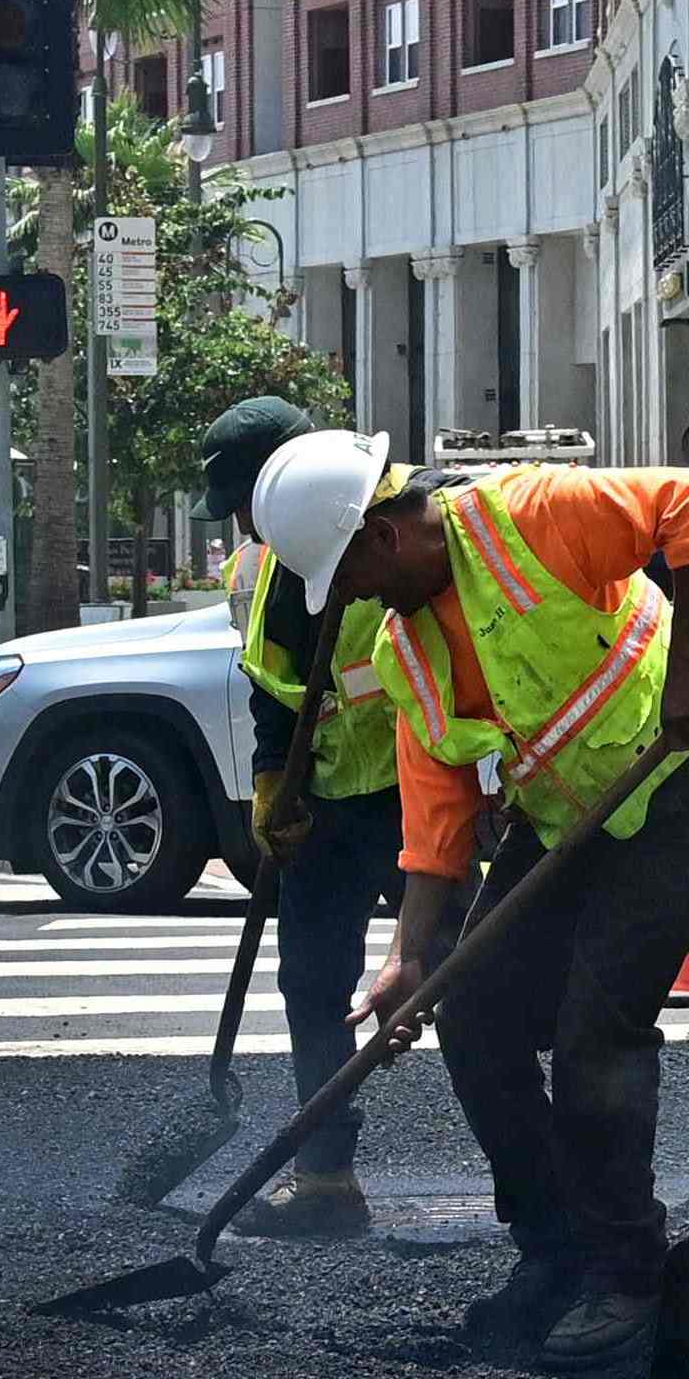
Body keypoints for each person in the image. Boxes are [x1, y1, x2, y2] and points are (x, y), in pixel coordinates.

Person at [256, 427, 689, 1370]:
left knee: (600, 1032)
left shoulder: (530, 515)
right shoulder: (409, 652)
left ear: (384, 539)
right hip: (564, 818)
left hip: (667, 785)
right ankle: (556, 1252)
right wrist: (409, 959)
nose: (345, 601)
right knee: (472, 1012)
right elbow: (434, 823)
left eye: (345, 578)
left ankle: (630, 1273)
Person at [202, 395, 404, 1240]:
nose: (243, 525)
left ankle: (549, 1194)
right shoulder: (253, 569)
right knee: (311, 984)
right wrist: (271, 778)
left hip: (417, 787)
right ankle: (326, 1180)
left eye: (246, 501)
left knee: (478, 986)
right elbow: (267, 684)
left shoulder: (386, 524)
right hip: (324, 804)